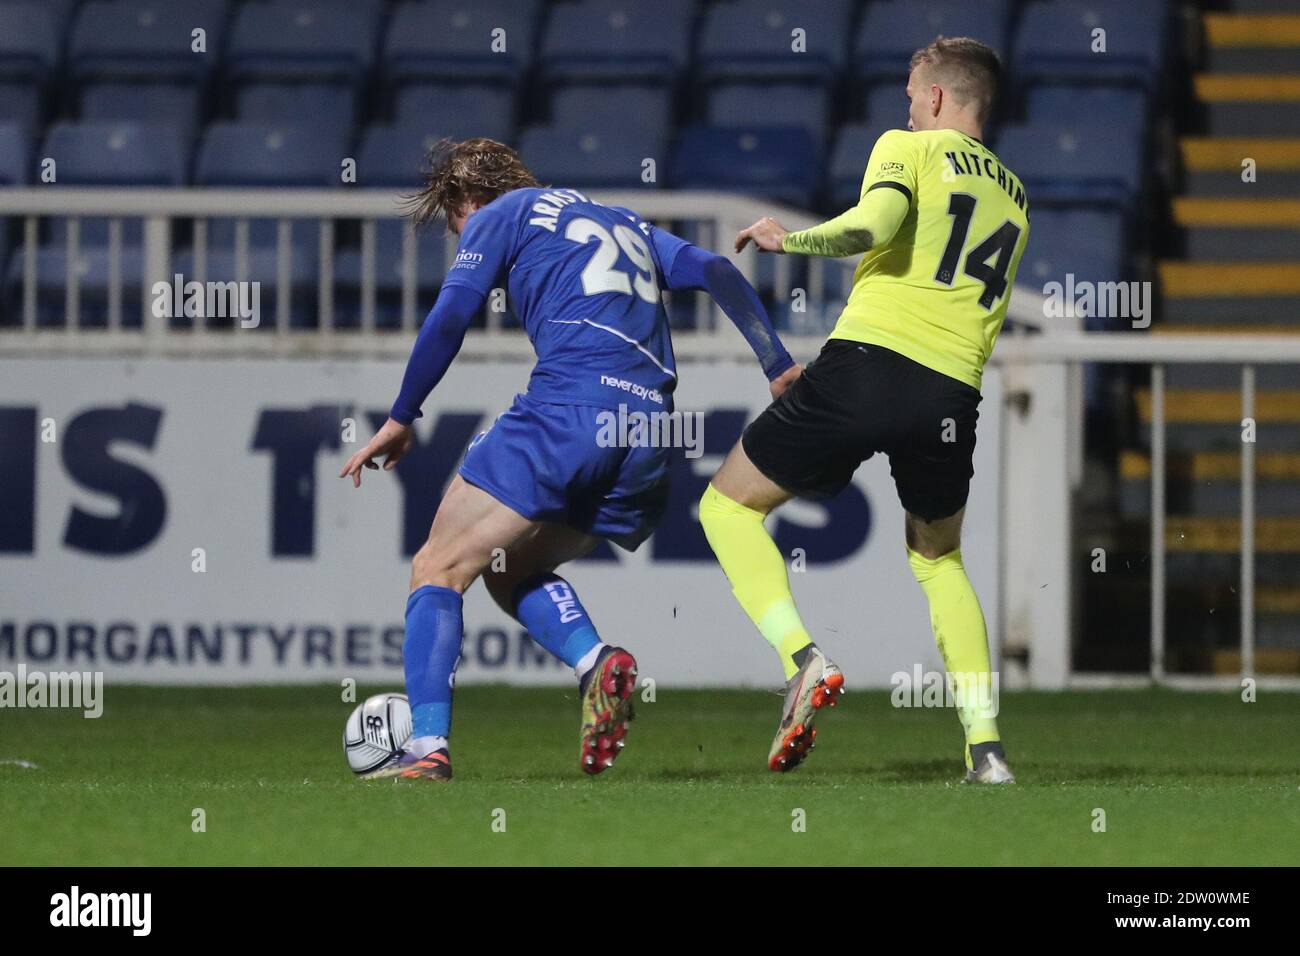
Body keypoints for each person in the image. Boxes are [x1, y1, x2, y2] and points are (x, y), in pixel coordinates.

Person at [340, 138, 798, 781]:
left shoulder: (503, 213)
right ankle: (596, 663)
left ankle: (427, 748)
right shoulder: (625, 222)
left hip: (571, 410)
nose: (466, 242)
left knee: (437, 567)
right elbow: (718, 272)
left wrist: (400, 416)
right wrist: (777, 365)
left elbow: (450, 315)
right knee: (508, 565)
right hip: (648, 433)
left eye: (456, 228)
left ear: (471, 198)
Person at [699, 38, 1029, 782]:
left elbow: (873, 226)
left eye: (913, 95)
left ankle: (803, 657)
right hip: (951, 393)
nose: (907, 109)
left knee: (726, 508)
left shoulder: (907, 150)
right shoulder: (1014, 192)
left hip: (869, 363)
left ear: (939, 98)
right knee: (940, 561)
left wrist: (792, 238)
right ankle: (987, 752)